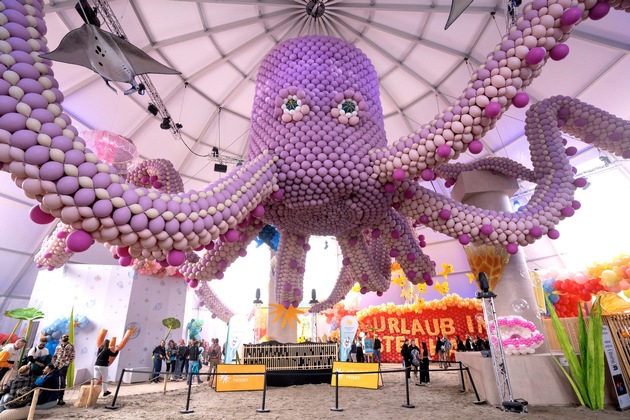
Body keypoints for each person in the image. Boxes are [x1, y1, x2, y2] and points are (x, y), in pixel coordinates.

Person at [51, 334, 74, 405]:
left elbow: (72, 356)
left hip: (63, 366)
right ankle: (54, 397)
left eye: (67, 337)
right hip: (56, 365)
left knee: (62, 381)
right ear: (61, 338)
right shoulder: (58, 346)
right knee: (55, 381)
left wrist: (66, 364)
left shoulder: (70, 346)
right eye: (64, 337)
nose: (66, 338)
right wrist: (54, 363)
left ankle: (61, 398)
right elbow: (55, 355)